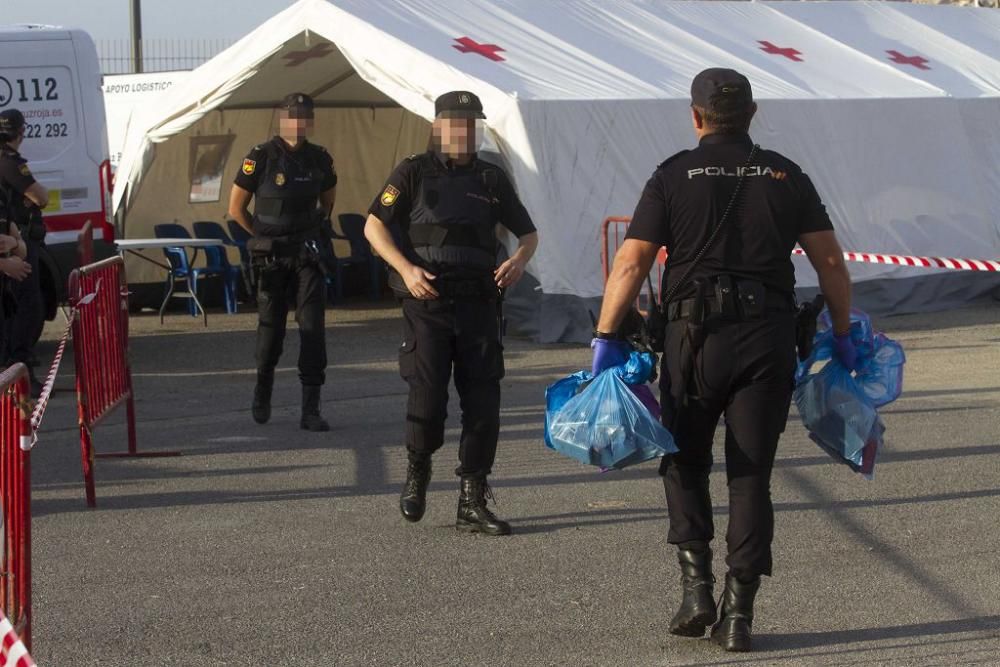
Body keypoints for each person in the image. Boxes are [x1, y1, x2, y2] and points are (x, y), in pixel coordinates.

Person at [592, 69, 854, 652]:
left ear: (696, 115)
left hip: (694, 341)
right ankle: (739, 615)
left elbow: (631, 264)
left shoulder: (673, 174)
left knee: (684, 461)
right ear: (752, 114)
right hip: (768, 340)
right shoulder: (786, 173)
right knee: (750, 475)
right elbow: (830, 264)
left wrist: (606, 336)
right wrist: (841, 332)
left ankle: (696, 589)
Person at [364, 91, 539, 536]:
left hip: (479, 302)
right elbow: (373, 225)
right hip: (429, 303)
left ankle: (472, 500)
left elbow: (529, 234)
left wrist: (518, 261)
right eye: (455, 124)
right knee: (428, 396)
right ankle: (417, 474)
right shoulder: (413, 171)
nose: (463, 132)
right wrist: (404, 268)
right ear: (438, 126)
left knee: (483, 401)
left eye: (470, 124)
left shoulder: (490, 177)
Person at [228, 93, 337, 432]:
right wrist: (261, 237)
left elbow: (328, 203)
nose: (298, 122)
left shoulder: (319, 158)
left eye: (305, 116)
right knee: (271, 329)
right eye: (293, 116)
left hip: (307, 256)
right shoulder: (260, 157)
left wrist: (307, 233)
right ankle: (263, 388)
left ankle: (311, 407)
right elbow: (236, 209)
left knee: (312, 328)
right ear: (282, 118)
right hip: (272, 259)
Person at [0, 109, 46, 396]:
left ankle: (18, 373)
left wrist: (17, 244)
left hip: (15, 242)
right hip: (11, 253)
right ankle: (18, 371)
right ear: (21, 132)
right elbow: (40, 197)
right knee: (27, 308)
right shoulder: (9, 162)